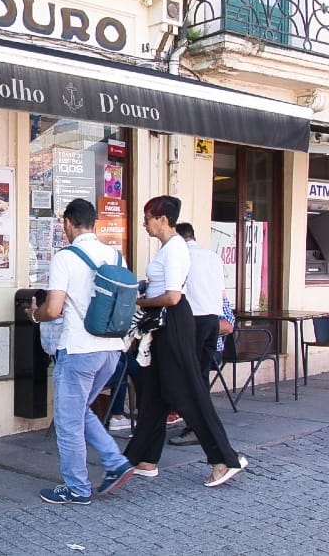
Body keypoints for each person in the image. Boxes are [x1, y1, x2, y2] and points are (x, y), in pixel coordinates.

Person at [124, 196, 247, 487]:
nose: (144, 223)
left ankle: (223, 459)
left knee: (188, 392)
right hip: (166, 324)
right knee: (153, 391)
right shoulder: (169, 248)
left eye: (148, 217)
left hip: (173, 322)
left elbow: (173, 296)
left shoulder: (176, 248)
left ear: (163, 219)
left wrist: (140, 301)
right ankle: (143, 458)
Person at [25, 198, 134, 504]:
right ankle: (116, 462)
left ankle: (77, 488)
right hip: (112, 350)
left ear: (68, 224)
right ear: (94, 223)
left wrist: (34, 314)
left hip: (79, 350)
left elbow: (55, 309)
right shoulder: (115, 256)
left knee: (68, 420)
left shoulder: (66, 258)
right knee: (81, 410)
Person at [169, 222, 225, 447]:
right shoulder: (212, 256)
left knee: (191, 377)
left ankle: (197, 428)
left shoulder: (181, 257)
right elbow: (221, 293)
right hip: (213, 320)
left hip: (194, 320)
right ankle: (198, 425)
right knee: (200, 375)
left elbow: (174, 293)